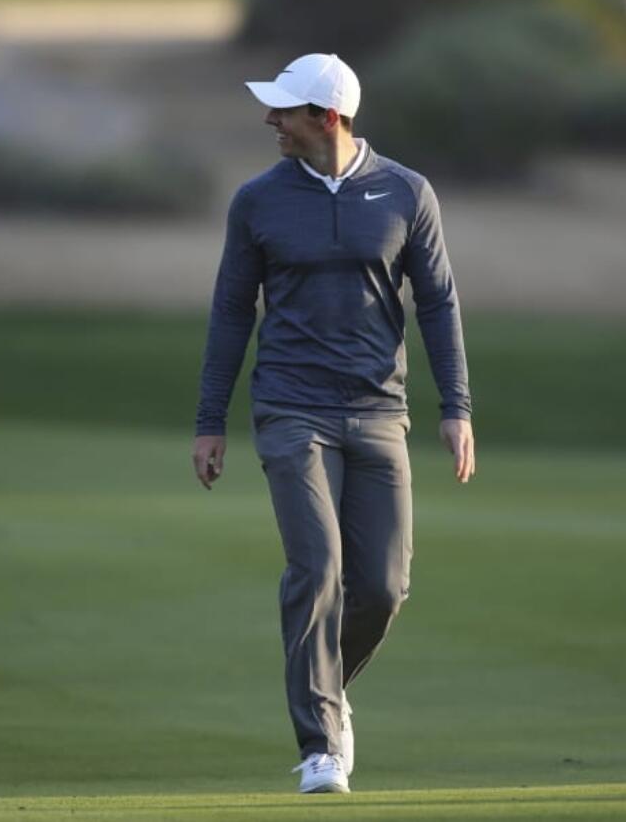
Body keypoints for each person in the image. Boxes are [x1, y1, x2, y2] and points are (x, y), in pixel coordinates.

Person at [192, 53, 475, 794]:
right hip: (290, 407)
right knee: (317, 566)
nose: (269, 120)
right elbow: (230, 311)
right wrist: (210, 418)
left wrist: (456, 407)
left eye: (283, 110)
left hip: (381, 410)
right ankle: (320, 742)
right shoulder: (257, 201)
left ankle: (328, 687)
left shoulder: (407, 192)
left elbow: (439, 303)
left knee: (383, 586)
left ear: (328, 117)